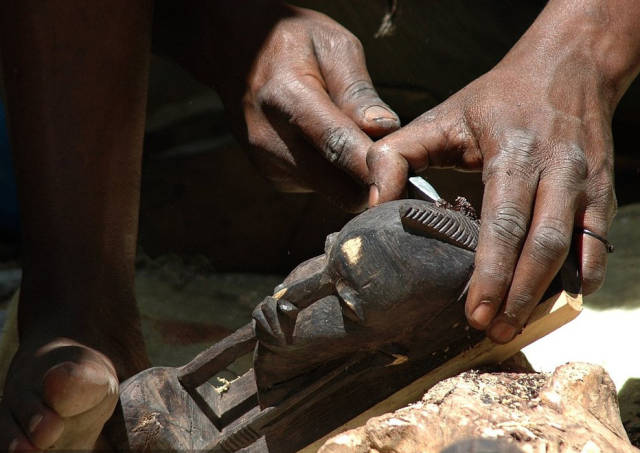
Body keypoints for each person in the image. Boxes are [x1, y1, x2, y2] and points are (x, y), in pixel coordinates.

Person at [0, 0, 637, 450]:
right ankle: (84, 305)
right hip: (180, 106)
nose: (284, 301)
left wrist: (583, 48)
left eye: (340, 294)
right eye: (328, 262)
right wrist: (229, 27)